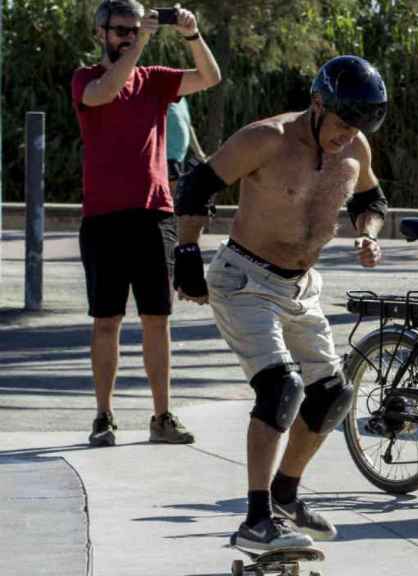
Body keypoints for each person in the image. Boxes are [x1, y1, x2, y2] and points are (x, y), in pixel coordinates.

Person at [172, 55, 389, 551]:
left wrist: (367, 234)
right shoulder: (265, 138)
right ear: (317, 104)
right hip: (245, 279)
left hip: (301, 286)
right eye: (340, 123)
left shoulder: (356, 147)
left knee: (333, 393)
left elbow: (369, 202)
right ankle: (255, 518)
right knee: (280, 389)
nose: (345, 136)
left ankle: (286, 497)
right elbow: (197, 185)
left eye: (357, 126)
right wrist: (186, 252)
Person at [71, 0, 221, 447]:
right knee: (106, 321)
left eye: (135, 29)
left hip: (154, 214)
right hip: (102, 219)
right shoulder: (86, 78)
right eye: (121, 30)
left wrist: (193, 34)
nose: (129, 37)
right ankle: (104, 416)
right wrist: (142, 45)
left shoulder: (155, 80)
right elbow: (105, 92)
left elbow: (210, 77)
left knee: (157, 319)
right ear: (101, 34)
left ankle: (162, 417)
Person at [166, 98, 207, 187]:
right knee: (173, 192)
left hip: (180, 157)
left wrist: (199, 153)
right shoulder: (162, 96)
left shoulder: (182, 100)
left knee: (176, 194)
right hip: (166, 156)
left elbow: (189, 126)